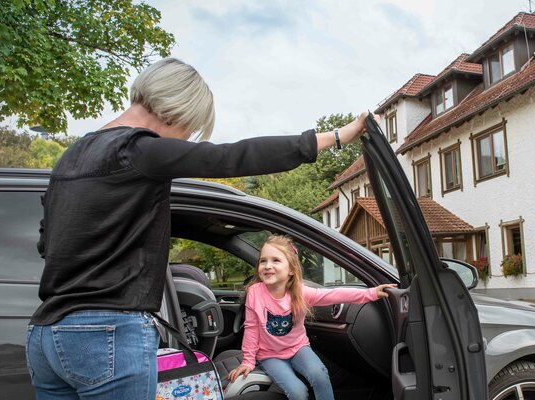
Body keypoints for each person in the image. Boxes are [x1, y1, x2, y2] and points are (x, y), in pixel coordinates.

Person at [24, 57, 373, 400]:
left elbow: (48, 243)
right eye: (189, 129)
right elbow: (230, 156)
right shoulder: (138, 151)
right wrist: (338, 137)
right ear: (175, 111)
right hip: (107, 334)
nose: (187, 138)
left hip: (45, 334)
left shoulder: (69, 159)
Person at [227, 234, 395, 400]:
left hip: (298, 348)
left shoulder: (300, 292)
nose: (267, 265)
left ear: (291, 269)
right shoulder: (254, 293)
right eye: (263, 261)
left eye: (275, 260)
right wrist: (248, 361)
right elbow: (251, 328)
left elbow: (334, 295)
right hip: (269, 355)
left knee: (320, 374)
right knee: (297, 392)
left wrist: (371, 293)